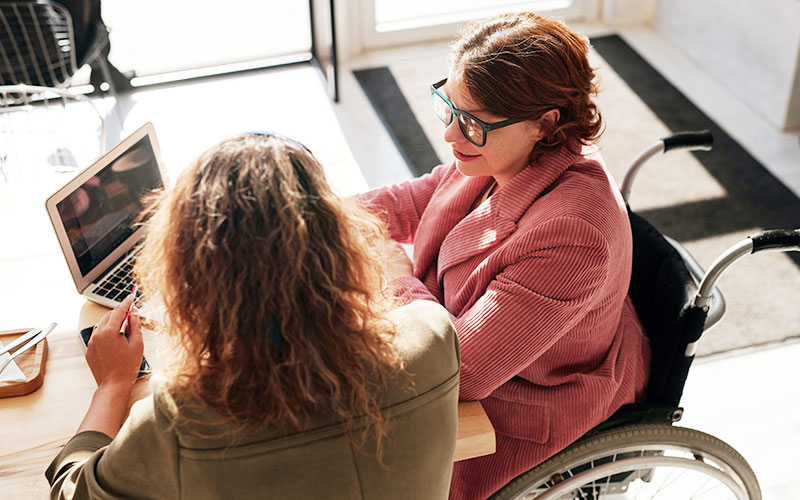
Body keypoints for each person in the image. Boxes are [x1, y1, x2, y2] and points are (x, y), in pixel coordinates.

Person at [46, 133, 461, 499]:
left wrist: (113, 385)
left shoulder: (181, 420)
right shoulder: (434, 335)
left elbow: (73, 492)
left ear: (191, 277)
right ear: (342, 241)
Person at [356, 12, 651, 499]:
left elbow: (460, 371)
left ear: (545, 123)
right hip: (472, 345)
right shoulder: (498, 152)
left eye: (471, 122)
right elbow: (413, 200)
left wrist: (395, 273)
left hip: (518, 408)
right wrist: (305, 215)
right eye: (447, 107)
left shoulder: (572, 235)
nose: (450, 135)